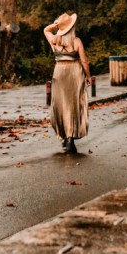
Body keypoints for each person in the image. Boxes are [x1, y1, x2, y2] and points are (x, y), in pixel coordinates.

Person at [43, 12, 90, 154]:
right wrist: (88, 76)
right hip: (75, 72)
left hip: (59, 72)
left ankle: (64, 136)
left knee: (60, 104)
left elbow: (46, 30)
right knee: (74, 104)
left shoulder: (54, 40)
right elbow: (84, 61)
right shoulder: (77, 41)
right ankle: (70, 139)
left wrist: (56, 25)